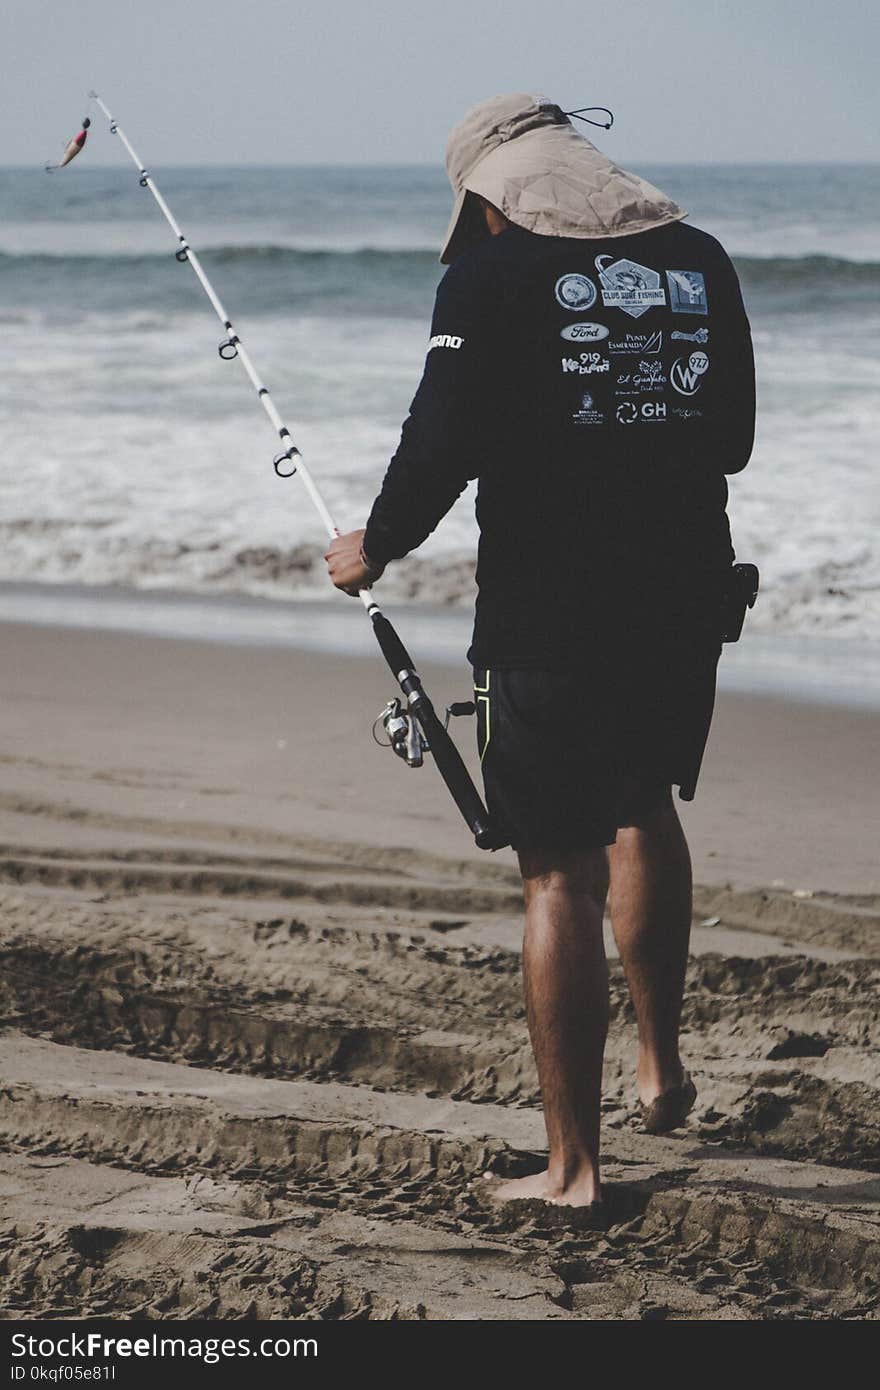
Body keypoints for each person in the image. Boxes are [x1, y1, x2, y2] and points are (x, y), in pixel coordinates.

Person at [325, 93, 755, 1214]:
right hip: (684, 593)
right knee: (646, 805)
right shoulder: (699, 259)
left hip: (554, 610)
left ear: (490, 200)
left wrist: (372, 547)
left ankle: (572, 1171)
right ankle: (660, 1073)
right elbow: (732, 437)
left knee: (558, 863)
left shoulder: (489, 274)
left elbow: (440, 441)